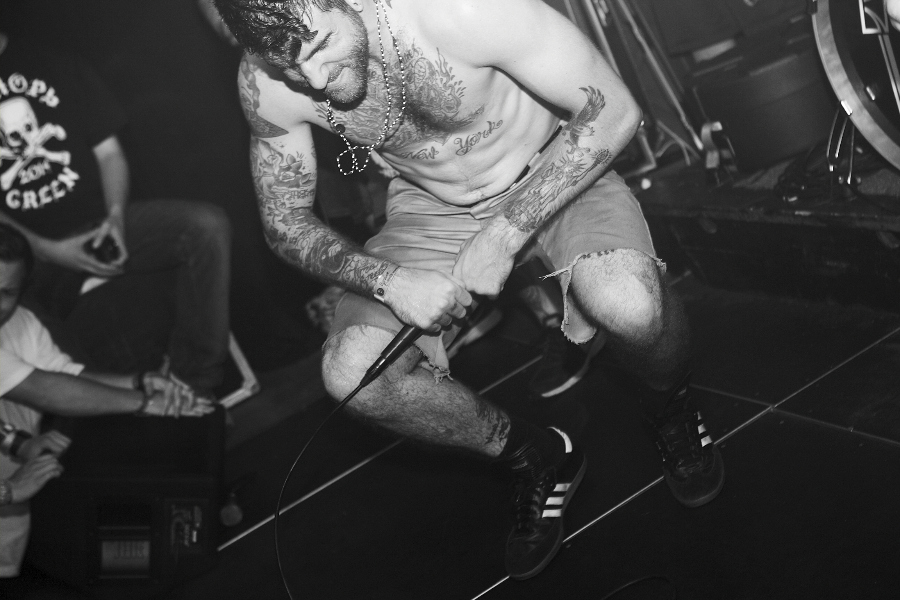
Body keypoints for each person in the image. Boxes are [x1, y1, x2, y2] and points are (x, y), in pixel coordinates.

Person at [214, 0, 724, 579]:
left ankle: (670, 408)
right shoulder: (264, 79)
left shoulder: (461, 10)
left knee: (629, 305)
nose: (311, 77)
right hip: (432, 204)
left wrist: (505, 233)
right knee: (353, 375)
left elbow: (614, 109)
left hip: (552, 167)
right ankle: (535, 456)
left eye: (318, 46)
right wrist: (389, 280)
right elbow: (283, 221)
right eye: (287, 65)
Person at [0, 32, 232, 398]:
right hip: (26, 253)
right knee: (22, 329)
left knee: (206, 227)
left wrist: (116, 220)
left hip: (101, 224)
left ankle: (193, 387)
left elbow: (109, 153)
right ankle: (121, 407)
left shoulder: (54, 61)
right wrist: (46, 249)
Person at [0, 221, 213, 582]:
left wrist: (140, 381)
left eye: (5, 291)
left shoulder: (18, 322)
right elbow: (44, 389)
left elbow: (63, 373)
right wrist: (10, 490)